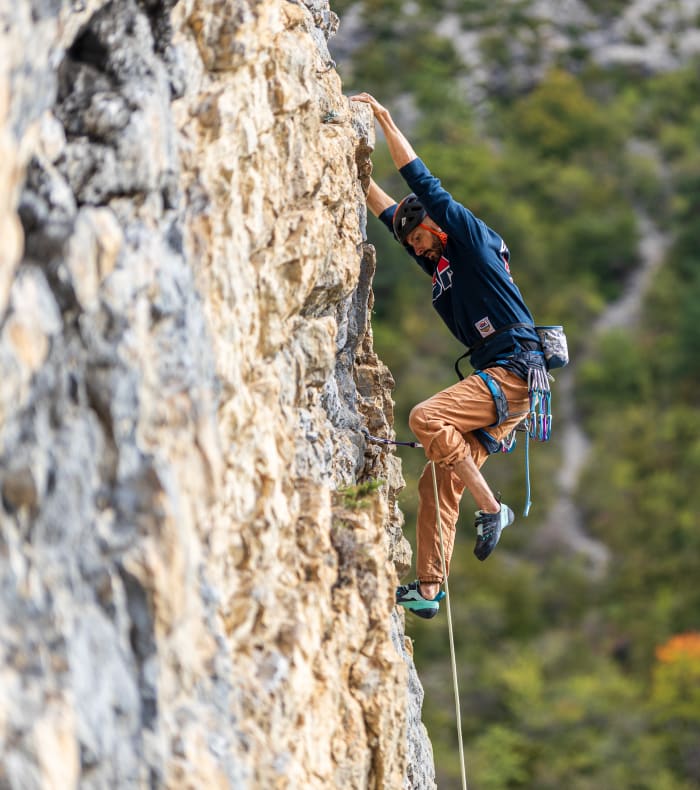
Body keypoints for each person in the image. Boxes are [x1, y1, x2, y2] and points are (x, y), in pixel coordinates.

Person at [351, 92, 547, 619]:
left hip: (514, 371)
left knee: (426, 417)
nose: (416, 248)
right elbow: (390, 211)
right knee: (438, 475)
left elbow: (422, 184)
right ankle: (431, 587)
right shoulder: (439, 262)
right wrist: (351, 164)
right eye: (412, 244)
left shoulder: (467, 239)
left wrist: (384, 121)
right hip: (504, 380)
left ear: (438, 227)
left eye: (420, 239)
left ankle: (492, 508)